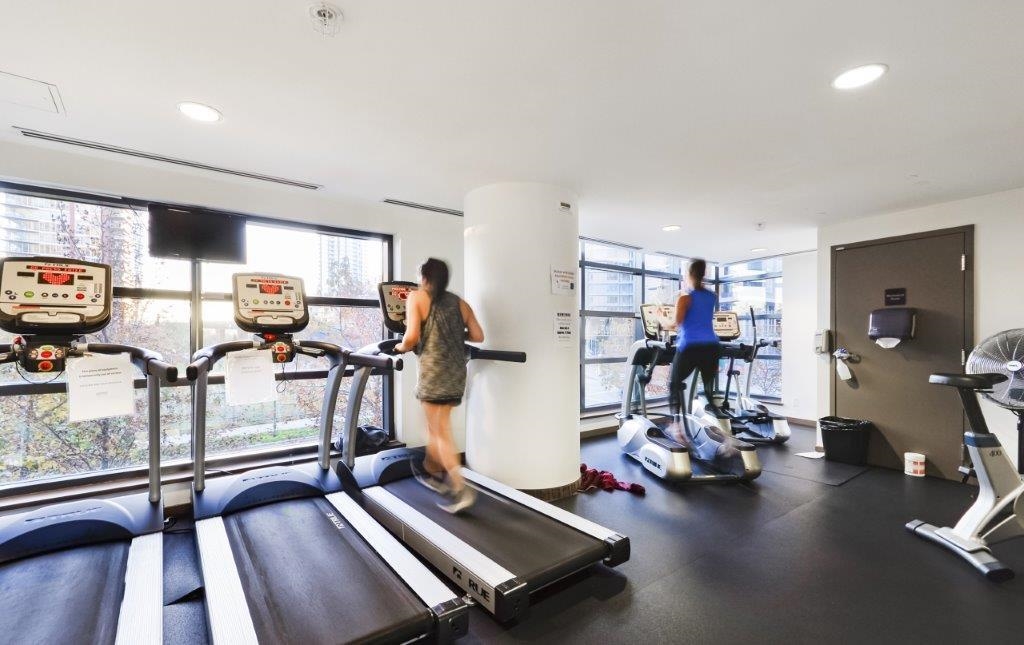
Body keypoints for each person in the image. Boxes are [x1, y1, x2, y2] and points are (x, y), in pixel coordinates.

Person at [394, 258, 484, 513]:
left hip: (434, 373)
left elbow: (411, 338)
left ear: (424, 277)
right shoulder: (460, 303)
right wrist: (455, 334)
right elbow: (478, 336)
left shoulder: (417, 297)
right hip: (456, 372)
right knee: (437, 426)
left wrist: (400, 347)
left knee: (439, 430)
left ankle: (459, 486)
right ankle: (432, 469)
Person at [667, 259, 720, 441]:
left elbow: (675, 324)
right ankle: (725, 436)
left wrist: (659, 317)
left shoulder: (685, 297)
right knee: (709, 393)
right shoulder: (712, 296)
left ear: (688, 274)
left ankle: (677, 429)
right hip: (712, 347)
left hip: (690, 347)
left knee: (674, 385)